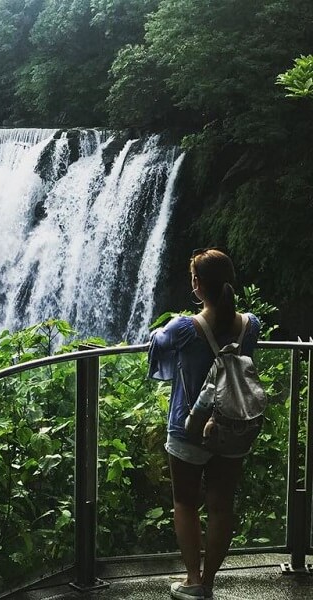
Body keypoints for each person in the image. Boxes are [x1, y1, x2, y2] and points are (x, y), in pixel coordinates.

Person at [148, 248, 261, 600]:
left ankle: (193, 581)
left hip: (189, 429)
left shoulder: (183, 327)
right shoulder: (250, 324)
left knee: (184, 502)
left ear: (197, 285)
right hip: (233, 426)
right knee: (221, 505)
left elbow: (157, 347)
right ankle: (209, 581)